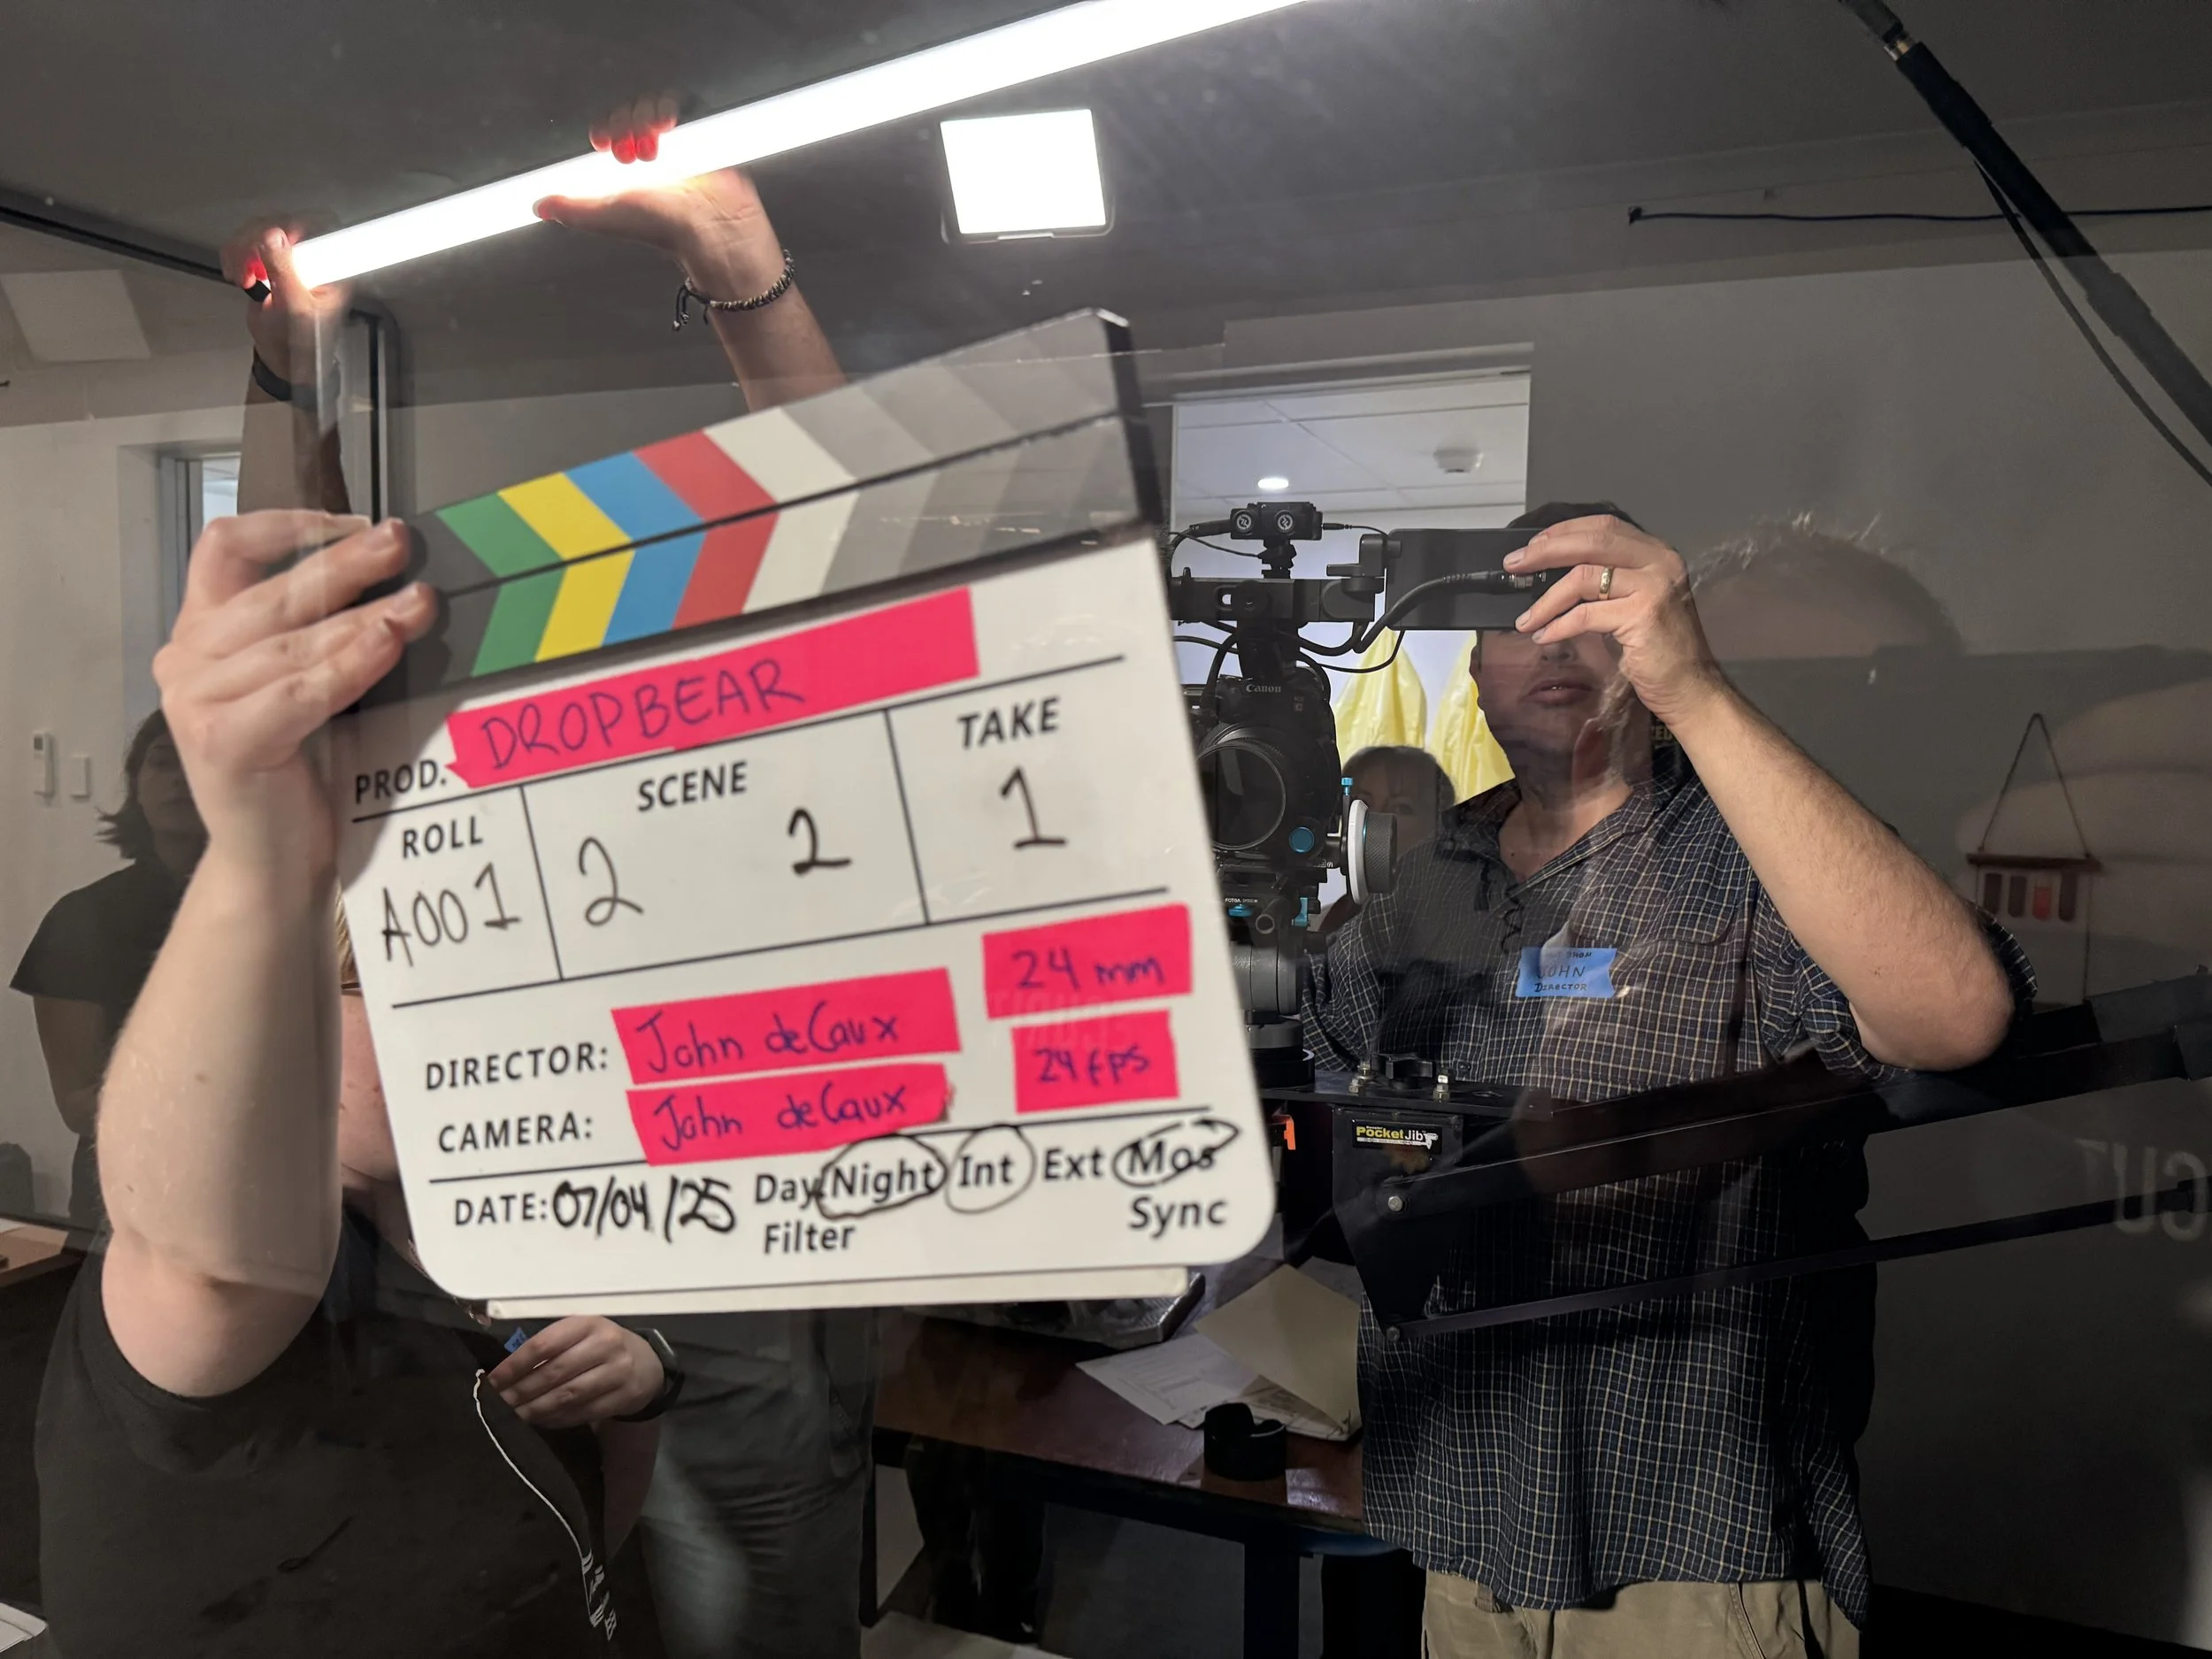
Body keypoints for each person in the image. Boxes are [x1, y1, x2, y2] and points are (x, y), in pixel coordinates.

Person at [223, 96, 872, 1659]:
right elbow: (282, 584)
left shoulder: (729, 827)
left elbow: (852, 547)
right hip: (426, 1333)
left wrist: (738, 256)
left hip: (713, 1339)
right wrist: (286, 362)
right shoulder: (383, 817)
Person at [1303, 501, 2028, 1657]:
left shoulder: (1760, 850)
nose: (1549, 641)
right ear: (1475, 676)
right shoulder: (1426, 884)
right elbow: (1338, 1133)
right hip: (1465, 1520)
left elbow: (1954, 1016)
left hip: (1697, 1543)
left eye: (1586, 609)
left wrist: (1697, 691)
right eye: (1511, 620)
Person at [35, 510, 671, 1655]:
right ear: (292, 1023)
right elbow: (199, 1254)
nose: (484, 1041)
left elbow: (587, 1526)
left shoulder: (488, 1231)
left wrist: (639, 1374)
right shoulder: (266, 1267)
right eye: (403, 988)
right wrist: (261, 859)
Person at [12, 710, 205, 1231]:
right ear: (137, 785)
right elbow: (79, 1104)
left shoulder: (293, 907)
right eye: (163, 761)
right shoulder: (83, 918)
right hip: (129, 1197)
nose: (181, 778)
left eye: (201, 760)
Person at [1316, 745, 1455, 936]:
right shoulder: (1314, 924)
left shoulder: (1455, 928)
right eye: (1363, 804)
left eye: (1400, 808)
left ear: (1437, 827)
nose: (1375, 818)